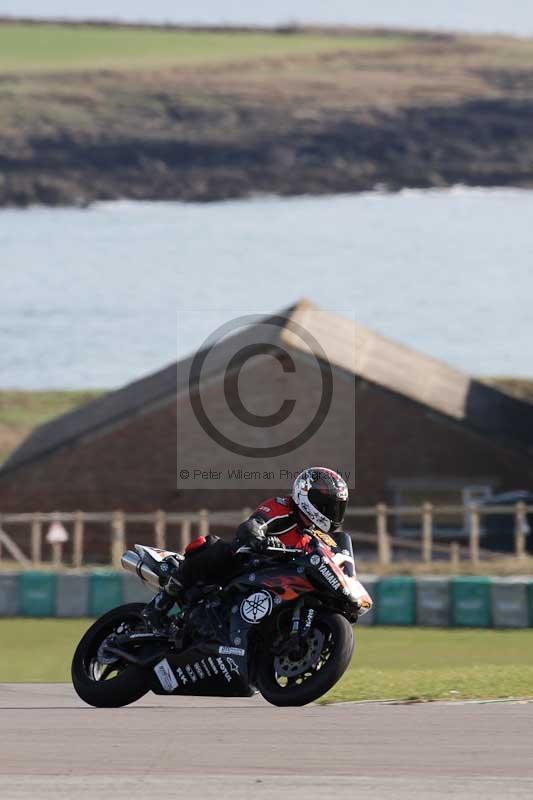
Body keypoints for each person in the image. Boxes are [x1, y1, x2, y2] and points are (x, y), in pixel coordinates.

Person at [142, 467, 349, 632]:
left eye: (336, 507)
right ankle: (158, 606)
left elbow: (333, 557)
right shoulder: (283, 507)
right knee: (212, 546)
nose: (331, 512)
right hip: (247, 563)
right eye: (326, 506)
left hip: (280, 580)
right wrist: (258, 536)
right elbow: (255, 524)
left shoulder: (317, 536)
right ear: (307, 496)